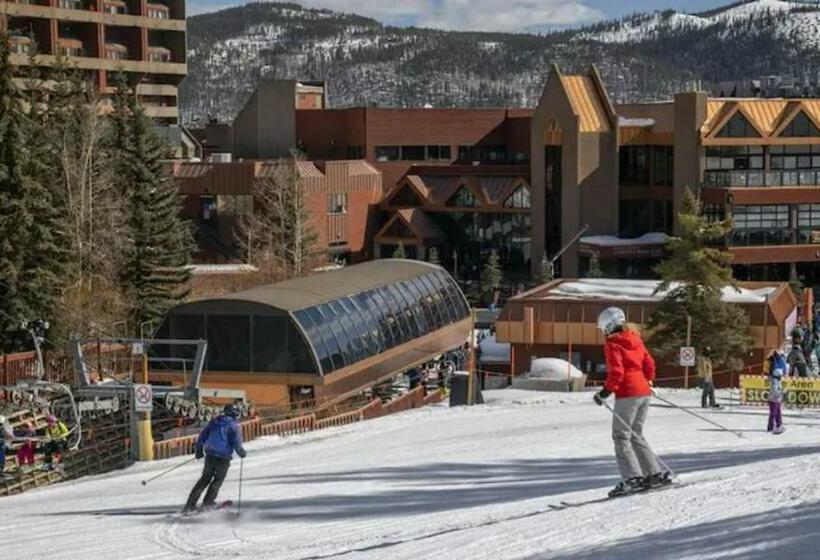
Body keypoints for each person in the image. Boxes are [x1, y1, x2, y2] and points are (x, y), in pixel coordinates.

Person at [593, 307, 671, 497]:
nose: (604, 332)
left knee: (621, 436)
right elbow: (649, 363)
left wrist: (604, 393)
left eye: (604, 328)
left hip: (628, 393)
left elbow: (617, 373)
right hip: (644, 391)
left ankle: (632, 477)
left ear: (609, 326)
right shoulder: (635, 338)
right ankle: (653, 474)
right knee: (636, 434)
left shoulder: (613, 343)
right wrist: (648, 380)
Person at [183, 403, 247, 513]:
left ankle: (190, 505)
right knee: (217, 481)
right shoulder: (233, 425)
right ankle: (207, 503)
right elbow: (236, 441)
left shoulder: (214, 422)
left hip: (210, 455)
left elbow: (203, 435)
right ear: (235, 414)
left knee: (204, 479)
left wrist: (199, 449)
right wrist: (240, 451)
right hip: (223, 458)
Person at [767, 350, 786, 434]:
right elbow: (775, 391)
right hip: (773, 399)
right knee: (773, 413)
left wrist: (782, 391)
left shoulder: (778, 381)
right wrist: (782, 392)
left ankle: (779, 425)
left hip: (777, 399)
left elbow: (779, 388)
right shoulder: (774, 381)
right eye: (780, 375)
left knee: (778, 413)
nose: (781, 377)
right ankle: (770, 427)